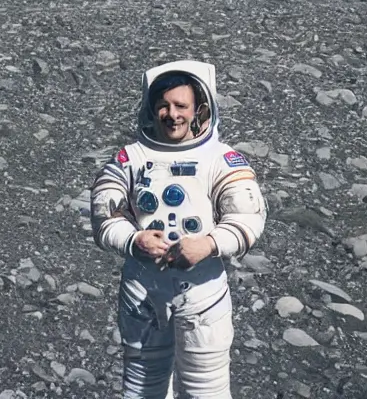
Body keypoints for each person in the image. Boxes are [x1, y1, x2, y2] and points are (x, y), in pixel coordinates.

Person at [90, 60, 267, 398]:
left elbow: (247, 218)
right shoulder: (130, 159)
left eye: (181, 106)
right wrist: (133, 239)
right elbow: (104, 214)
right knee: (142, 387)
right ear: (151, 109)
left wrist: (209, 244)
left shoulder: (220, 159)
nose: (172, 115)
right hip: (142, 291)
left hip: (202, 292)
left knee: (206, 388)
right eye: (163, 106)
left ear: (199, 109)